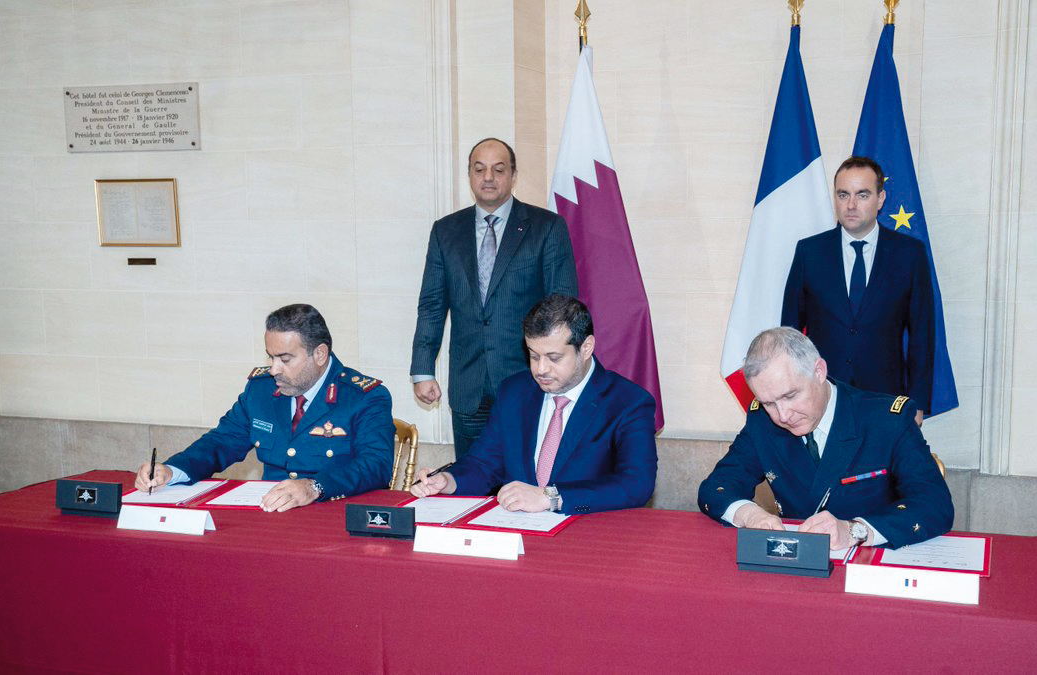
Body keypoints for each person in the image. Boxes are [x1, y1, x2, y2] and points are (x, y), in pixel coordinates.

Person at [698, 327, 952, 550]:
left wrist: (855, 530)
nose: (783, 415)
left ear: (819, 371)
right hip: (796, 568)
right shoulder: (762, 422)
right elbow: (716, 487)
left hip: (870, 568)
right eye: (768, 403)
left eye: (790, 396)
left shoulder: (886, 420)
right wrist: (749, 514)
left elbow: (934, 504)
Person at [410, 294, 656, 515]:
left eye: (554, 358)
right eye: (534, 355)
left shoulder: (628, 402)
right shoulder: (513, 392)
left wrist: (551, 497)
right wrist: (448, 481)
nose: (541, 369)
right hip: (517, 533)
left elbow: (636, 484)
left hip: (586, 534)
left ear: (586, 347)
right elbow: (483, 464)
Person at [134, 304, 394, 512]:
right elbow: (222, 441)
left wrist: (315, 487)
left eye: (285, 359)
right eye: (271, 357)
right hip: (271, 512)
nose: (274, 369)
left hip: (334, 514)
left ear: (319, 354)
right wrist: (173, 470)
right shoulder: (261, 390)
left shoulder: (363, 397)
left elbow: (375, 465)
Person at [411, 138, 578, 459]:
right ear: (470, 175)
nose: (488, 177)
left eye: (498, 170)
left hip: (529, 382)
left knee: (523, 477)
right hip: (468, 385)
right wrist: (423, 370)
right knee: (470, 476)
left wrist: (558, 370)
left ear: (513, 175)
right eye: (479, 169)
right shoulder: (445, 231)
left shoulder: (546, 227)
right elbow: (431, 305)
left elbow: (563, 308)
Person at [781, 155, 934, 423]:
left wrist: (917, 403)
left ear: (880, 198)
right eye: (843, 195)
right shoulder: (809, 253)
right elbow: (790, 333)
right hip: (822, 397)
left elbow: (922, 335)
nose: (851, 205)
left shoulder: (909, 254)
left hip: (885, 400)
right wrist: (791, 393)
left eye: (862, 195)